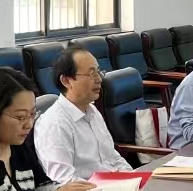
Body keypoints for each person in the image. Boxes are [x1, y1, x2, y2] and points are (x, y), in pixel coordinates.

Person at [34, 44, 132, 183]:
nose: (99, 79)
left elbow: (113, 158)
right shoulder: (54, 124)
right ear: (67, 81)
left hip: (116, 187)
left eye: (98, 72)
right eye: (91, 73)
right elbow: (65, 180)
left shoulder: (92, 111)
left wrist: (133, 178)